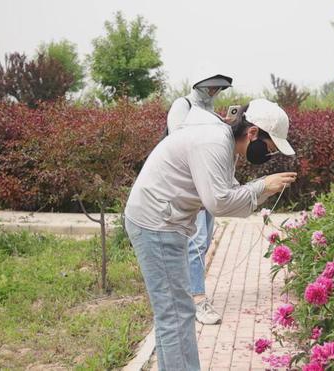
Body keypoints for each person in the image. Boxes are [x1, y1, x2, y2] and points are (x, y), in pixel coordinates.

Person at [124, 98, 297, 371]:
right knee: (175, 315)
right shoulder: (215, 143)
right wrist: (263, 185)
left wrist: (263, 189)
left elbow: (231, 194)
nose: (269, 155)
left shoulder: (223, 144)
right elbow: (219, 202)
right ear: (252, 133)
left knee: (175, 313)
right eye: (270, 147)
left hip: (163, 222)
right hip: (156, 224)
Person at [166, 71, 233, 325]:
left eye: (218, 88)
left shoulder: (209, 110)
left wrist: (222, 125)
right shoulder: (182, 106)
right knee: (196, 242)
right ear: (200, 85)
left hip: (209, 183)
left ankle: (188, 292)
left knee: (202, 243)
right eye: (212, 87)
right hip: (190, 185)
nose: (214, 92)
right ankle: (197, 301)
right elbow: (178, 143)